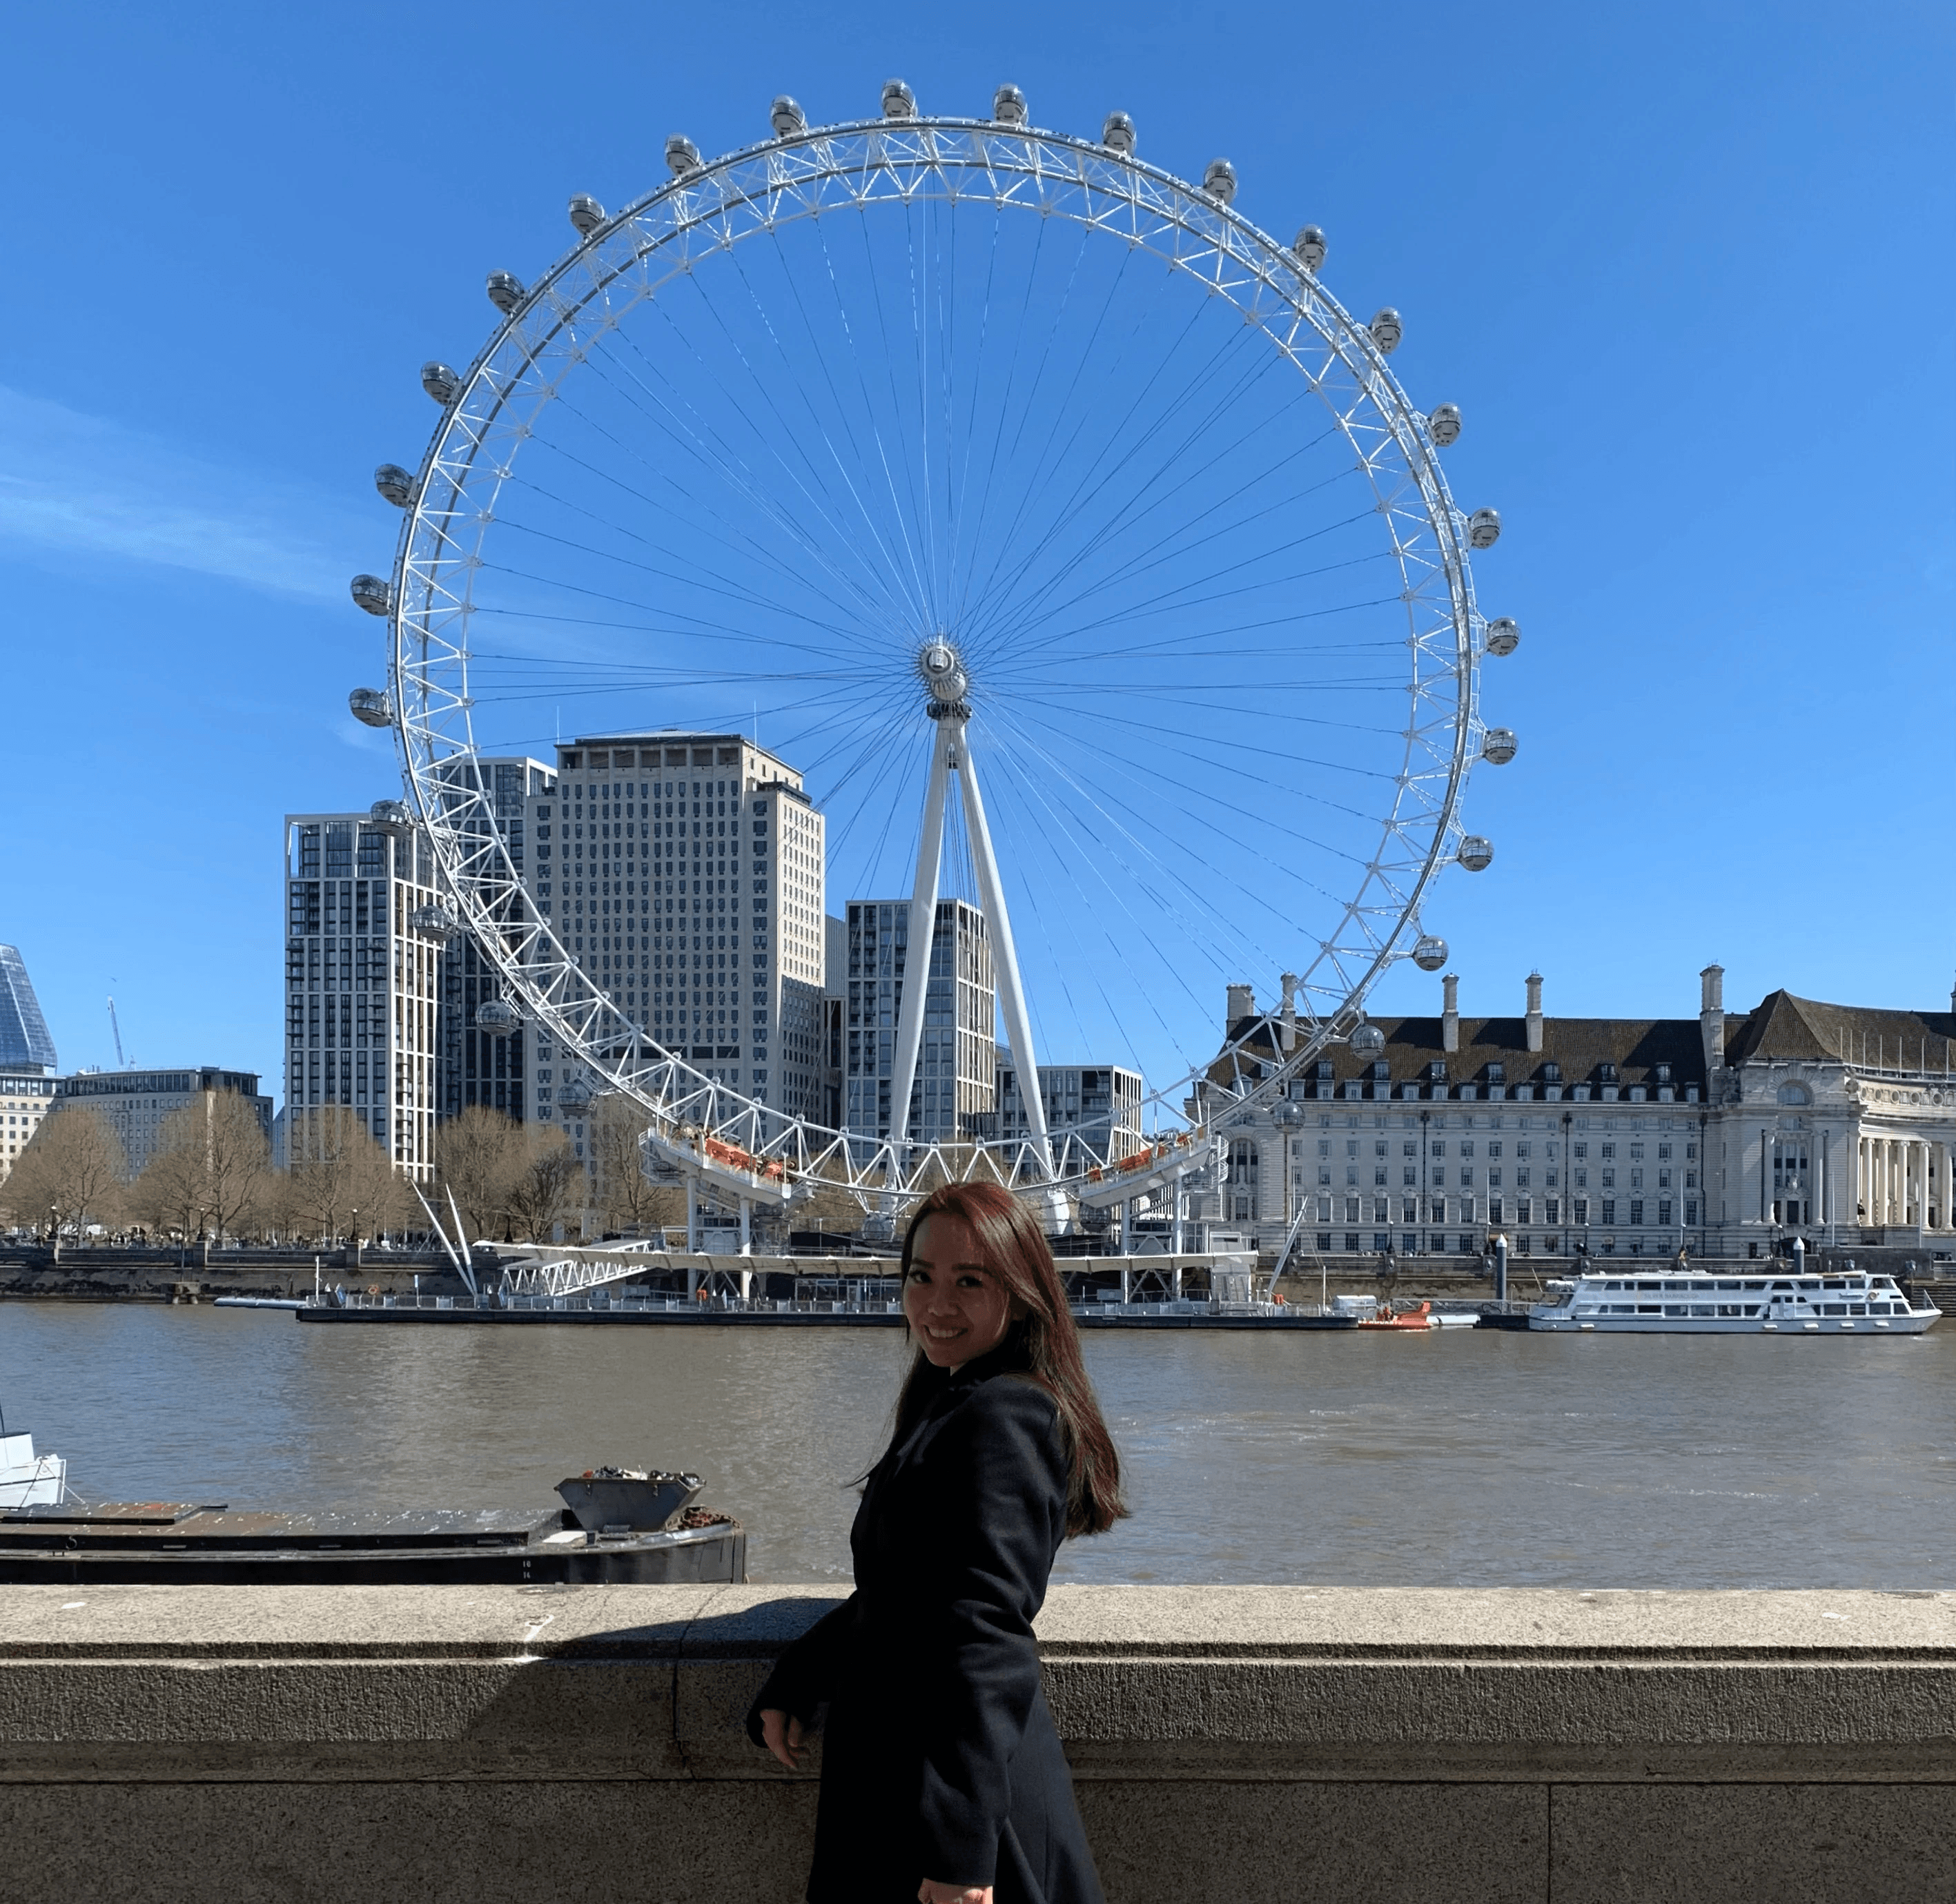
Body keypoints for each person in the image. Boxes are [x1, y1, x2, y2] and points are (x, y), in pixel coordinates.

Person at [747, 1180, 1126, 1904]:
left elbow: (986, 1630)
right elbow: (907, 1589)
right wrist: (802, 1671)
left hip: (956, 1810)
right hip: (910, 1782)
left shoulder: (1003, 1413)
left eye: (968, 1281)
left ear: (1020, 1292)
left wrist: (960, 1849)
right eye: (920, 1276)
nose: (935, 1303)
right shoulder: (954, 1399)